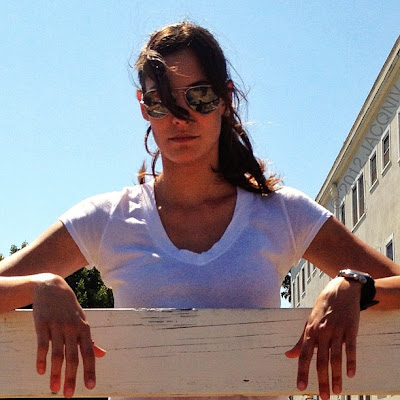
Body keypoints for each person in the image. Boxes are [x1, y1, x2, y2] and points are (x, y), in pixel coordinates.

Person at [0, 21, 399, 400]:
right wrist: (39, 285)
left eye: (200, 96)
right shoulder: (108, 218)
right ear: (143, 106)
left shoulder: (283, 213)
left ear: (225, 99)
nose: (181, 117)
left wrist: (355, 286)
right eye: (161, 101)